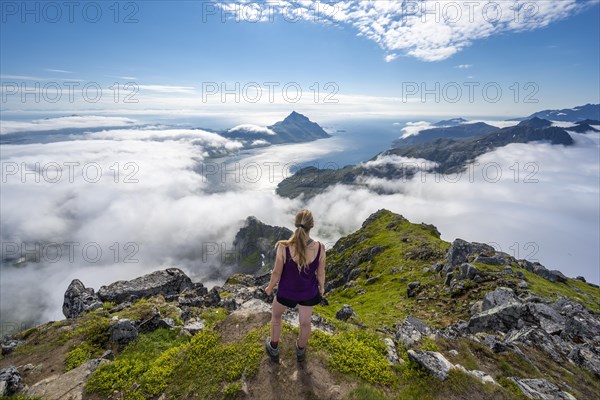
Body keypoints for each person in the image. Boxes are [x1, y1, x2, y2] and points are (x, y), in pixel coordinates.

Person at [264, 209, 326, 363]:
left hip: (286, 293)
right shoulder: (320, 248)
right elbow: (320, 273)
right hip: (308, 293)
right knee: (305, 323)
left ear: (295, 224)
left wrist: (270, 288)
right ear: (311, 226)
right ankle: (300, 350)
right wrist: (322, 288)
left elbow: (277, 272)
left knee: (276, 316)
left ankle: (273, 347)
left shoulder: (283, 247)